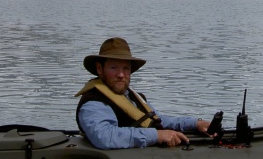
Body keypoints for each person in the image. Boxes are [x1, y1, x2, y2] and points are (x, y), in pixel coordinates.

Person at [75, 37, 212, 149]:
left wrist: (195, 123)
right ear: (100, 69)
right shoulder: (94, 102)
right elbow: (105, 137)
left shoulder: (133, 97)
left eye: (126, 68)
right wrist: (156, 136)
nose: (121, 74)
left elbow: (158, 120)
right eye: (113, 67)